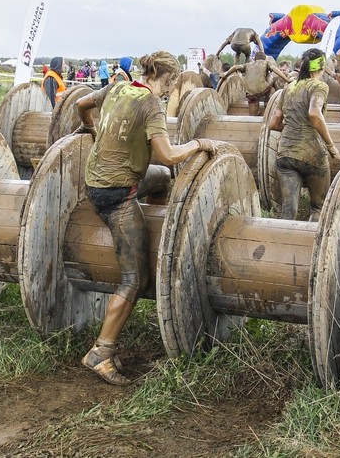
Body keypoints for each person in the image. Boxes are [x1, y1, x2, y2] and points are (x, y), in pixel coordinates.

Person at [75, 50, 218, 386]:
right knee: (134, 279)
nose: (171, 91)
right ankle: (100, 352)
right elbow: (167, 153)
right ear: (166, 78)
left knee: (163, 177)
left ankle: (157, 223)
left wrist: (90, 129)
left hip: (94, 178)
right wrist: (199, 143)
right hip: (115, 194)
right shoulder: (151, 104)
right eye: (172, 83)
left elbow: (82, 105)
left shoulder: (117, 87)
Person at [268, 48, 340, 221]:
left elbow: (274, 122)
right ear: (321, 68)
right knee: (318, 208)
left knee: (288, 209)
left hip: (285, 154)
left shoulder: (289, 87)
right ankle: (312, 245)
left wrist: (293, 126)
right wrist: (331, 147)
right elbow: (314, 114)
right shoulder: (319, 86)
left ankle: (283, 243)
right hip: (312, 155)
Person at [219, 51, 289, 116]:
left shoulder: (247, 64)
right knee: (270, 77)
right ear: (264, 59)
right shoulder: (266, 63)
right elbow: (274, 68)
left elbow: (235, 67)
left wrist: (225, 75)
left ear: (254, 59)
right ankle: (266, 101)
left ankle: (254, 115)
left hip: (250, 93)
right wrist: (287, 80)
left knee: (252, 104)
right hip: (263, 89)